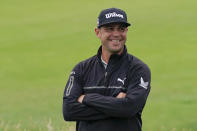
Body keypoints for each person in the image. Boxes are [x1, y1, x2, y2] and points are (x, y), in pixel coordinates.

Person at [63, 7, 151, 131]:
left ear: (126, 31)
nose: (116, 34)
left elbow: (129, 108)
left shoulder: (138, 69)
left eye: (121, 29)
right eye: (109, 29)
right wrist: (116, 105)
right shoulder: (81, 69)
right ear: (97, 32)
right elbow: (69, 111)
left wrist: (87, 98)